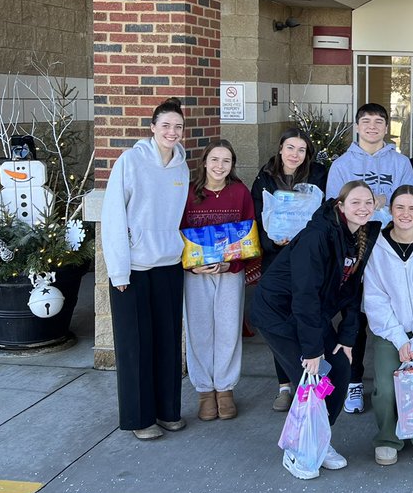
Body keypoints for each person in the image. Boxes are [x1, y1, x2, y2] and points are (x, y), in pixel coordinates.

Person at [248, 181, 382, 480]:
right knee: (312, 383)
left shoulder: (360, 236)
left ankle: (319, 439)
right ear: (340, 205)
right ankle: (297, 449)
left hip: (311, 314)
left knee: (340, 372)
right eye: (355, 202)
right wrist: (312, 350)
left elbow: (353, 291)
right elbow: (304, 293)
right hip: (279, 314)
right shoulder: (317, 236)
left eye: (368, 203)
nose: (362, 208)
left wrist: (347, 338)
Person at [100, 97, 190, 441]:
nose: (172, 132)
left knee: (167, 342)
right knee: (136, 346)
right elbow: (113, 217)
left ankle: (168, 411)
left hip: (168, 265)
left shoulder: (181, 167)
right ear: (152, 128)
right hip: (133, 269)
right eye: (165, 125)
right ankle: (140, 419)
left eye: (178, 126)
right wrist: (119, 271)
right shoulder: (131, 162)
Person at [325, 102, 413, 415]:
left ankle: (400, 378)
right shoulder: (342, 164)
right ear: (357, 126)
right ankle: (352, 383)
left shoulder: (400, 161)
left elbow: (409, 202)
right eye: (367, 121)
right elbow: (331, 208)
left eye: (379, 121)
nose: (373, 127)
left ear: (386, 126)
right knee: (356, 316)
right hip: (355, 248)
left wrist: (387, 202)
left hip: (390, 247)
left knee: (393, 314)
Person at [362, 185, 413, 466]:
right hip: (390, 329)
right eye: (399, 207)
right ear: (390, 210)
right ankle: (388, 437)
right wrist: (400, 340)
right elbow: (375, 297)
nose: (406, 214)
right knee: (386, 386)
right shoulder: (378, 246)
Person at [251, 128, 329, 411]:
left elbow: (324, 213)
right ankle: (285, 384)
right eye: (290, 148)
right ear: (280, 148)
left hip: (308, 258)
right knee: (279, 321)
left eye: (301, 149)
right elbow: (256, 214)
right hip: (277, 257)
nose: (295, 154)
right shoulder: (265, 177)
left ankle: (314, 379)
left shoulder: (318, 175)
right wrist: (270, 241)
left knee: (309, 315)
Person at [181, 139, 255, 422]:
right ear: (204, 162)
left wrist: (231, 263)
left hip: (228, 272)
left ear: (232, 164)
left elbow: (249, 235)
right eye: (214, 160)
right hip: (196, 275)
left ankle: (224, 389)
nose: (219, 166)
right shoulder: (190, 194)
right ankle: (204, 390)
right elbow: (179, 232)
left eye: (226, 161)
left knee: (228, 328)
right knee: (199, 330)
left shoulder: (240, 193)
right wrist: (190, 267)